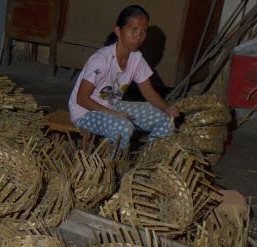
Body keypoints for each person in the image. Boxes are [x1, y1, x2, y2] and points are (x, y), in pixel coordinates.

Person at [68, 5, 180, 152]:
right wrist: (114, 114)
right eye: (133, 29)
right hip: (85, 112)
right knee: (123, 127)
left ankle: (147, 162)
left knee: (164, 119)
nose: (139, 36)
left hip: (111, 105)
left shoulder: (136, 59)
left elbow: (148, 92)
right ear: (118, 31)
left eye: (143, 31)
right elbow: (81, 98)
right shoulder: (101, 60)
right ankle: (112, 166)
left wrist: (167, 108)